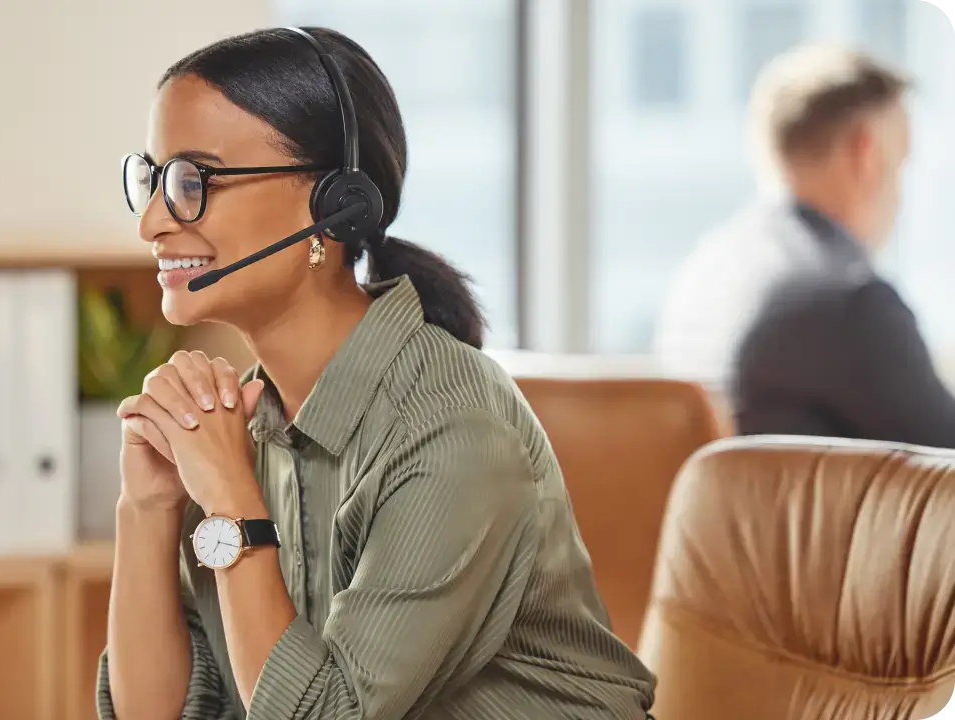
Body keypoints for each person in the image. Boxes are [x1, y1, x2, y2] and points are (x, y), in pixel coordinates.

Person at [98, 26, 656, 720]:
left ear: (335, 206)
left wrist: (233, 502)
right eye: (150, 180)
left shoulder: (453, 430)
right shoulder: (247, 423)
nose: (152, 221)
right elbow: (164, 712)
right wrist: (146, 509)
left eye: (192, 182)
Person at [655, 44, 955, 448]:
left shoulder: (703, 274)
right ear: (864, 154)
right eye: (900, 165)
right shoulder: (851, 302)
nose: (900, 199)